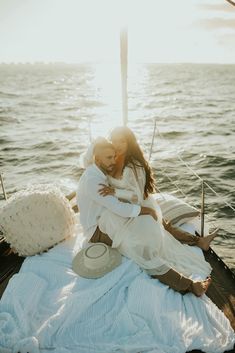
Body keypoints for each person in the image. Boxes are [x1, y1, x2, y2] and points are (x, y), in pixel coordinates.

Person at [77, 139, 211, 297]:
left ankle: (176, 246)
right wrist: (145, 210)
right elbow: (118, 207)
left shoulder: (97, 171)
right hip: (97, 230)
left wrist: (139, 208)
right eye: (108, 158)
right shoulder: (94, 181)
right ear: (97, 159)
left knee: (147, 228)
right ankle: (189, 285)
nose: (113, 161)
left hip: (107, 220)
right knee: (139, 250)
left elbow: (118, 201)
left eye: (114, 157)